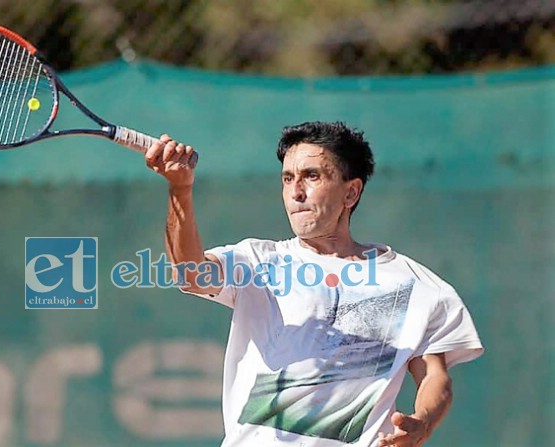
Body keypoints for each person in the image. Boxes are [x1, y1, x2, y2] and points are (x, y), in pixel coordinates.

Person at [145, 121, 483, 447]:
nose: (296, 192)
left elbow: (434, 377)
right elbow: (189, 274)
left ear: (351, 192)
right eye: (288, 178)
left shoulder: (420, 287)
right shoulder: (259, 262)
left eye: (312, 176)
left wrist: (422, 423)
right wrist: (180, 190)